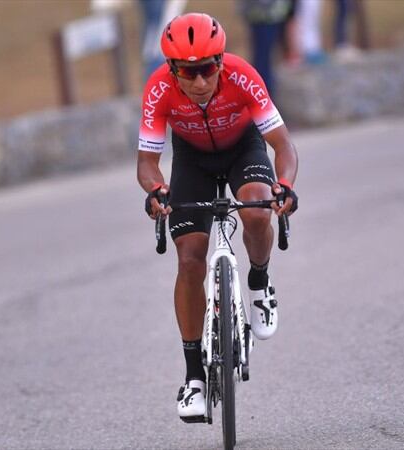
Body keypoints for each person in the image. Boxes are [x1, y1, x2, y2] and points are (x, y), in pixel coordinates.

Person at [136, 13, 299, 422]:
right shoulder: (158, 90)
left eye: (208, 69)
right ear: (173, 70)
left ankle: (259, 283)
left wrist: (285, 184)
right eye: (188, 73)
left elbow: (283, 145)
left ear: (221, 62)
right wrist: (157, 191)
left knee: (259, 208)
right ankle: (194, 378)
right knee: (190, 259)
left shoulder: (244, 77)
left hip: (243, 149)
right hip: (192, 160)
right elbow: (147, 164)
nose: (200, 81)